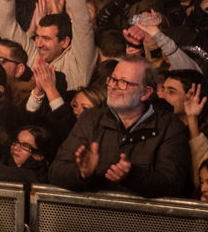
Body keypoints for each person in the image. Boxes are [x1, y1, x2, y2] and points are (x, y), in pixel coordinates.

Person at [48, 57, 190, 199]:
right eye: (113, 79)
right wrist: (82, 173)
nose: (113, 86)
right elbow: (55, 171)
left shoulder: (170, 127)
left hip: (142, 218)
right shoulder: (90, 119)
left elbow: (173, 184)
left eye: (123, 82)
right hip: (93, 216)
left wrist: (132, 176)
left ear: (145, 93)